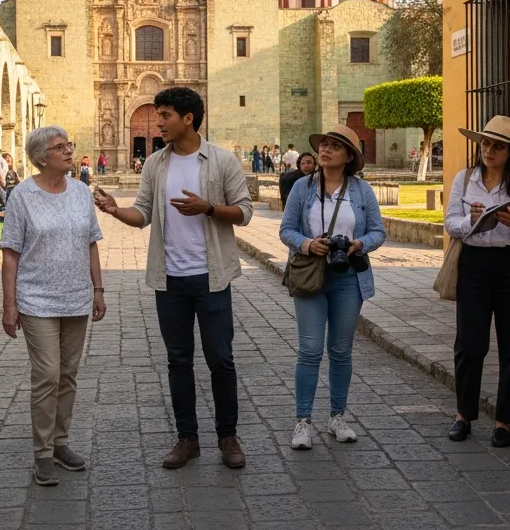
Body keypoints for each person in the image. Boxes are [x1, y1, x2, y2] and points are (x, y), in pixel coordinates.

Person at [94, 87, 253, 470]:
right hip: (170, 280)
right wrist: (117, 211)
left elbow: (245, 212)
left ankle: (228, 436)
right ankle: (187, 438)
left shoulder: (222, 161)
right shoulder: (155, 165)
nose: (158, 119)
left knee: (221, 359)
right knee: (178, 359)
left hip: (212, 277)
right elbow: (143, 215)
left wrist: (208, 208)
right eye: (157, 114)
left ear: (188, 119)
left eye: (164, 114)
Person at [0, 126, 106, 486]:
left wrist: (99, 289)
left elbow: (91, 242)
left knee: (68, 374)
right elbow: (11, 253)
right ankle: (42, 451)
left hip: (76, 297)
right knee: (47, 374)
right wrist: (8, 305)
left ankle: (61, 441)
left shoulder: (80, 192)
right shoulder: (22, 196)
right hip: (36, 300)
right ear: (42, 157)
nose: (68, 151)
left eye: (69, 144)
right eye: (60, 147)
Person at [279, 126, 385, 449]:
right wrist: (309, 244)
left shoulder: (362, 191)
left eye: (334, 146)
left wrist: (358, 244)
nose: (325, 150)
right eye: (323, 144)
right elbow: (286, 231)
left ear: (349, 156)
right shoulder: (302, 187)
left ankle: (337, 416)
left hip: (349, 279)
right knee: (310, 350)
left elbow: (379, 232)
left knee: (340, 351)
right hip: (310, 276)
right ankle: (303, 422)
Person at [443, 115, 510, 448]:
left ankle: (504, 422)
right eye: (485, 143)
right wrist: (471, 221)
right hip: (473, 263)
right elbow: (450, 223)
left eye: (498, 146)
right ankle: (463, 415)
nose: (488, 150)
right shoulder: (465, 177)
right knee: (470, 344)